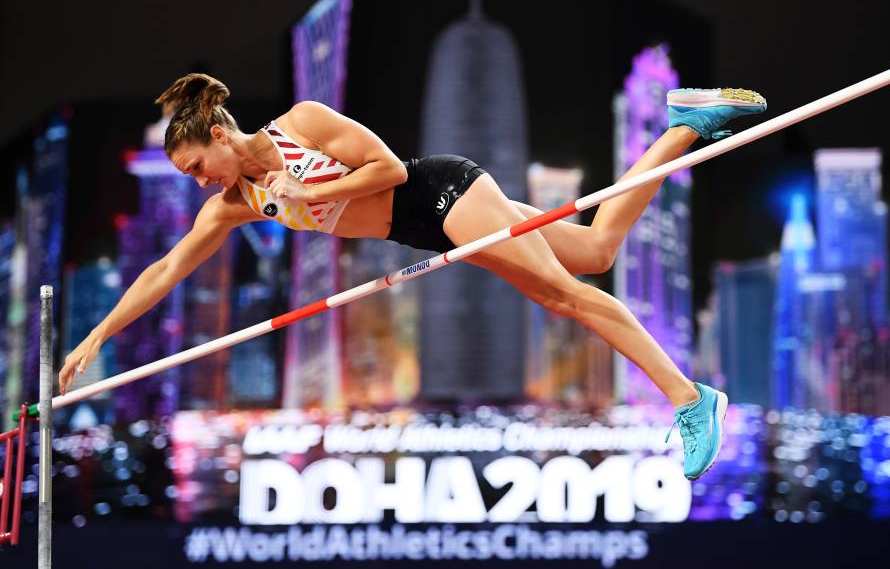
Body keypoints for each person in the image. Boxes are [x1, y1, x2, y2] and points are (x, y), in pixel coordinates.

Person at [58, 73, 766, 479]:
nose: (197, 183)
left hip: (441, 190)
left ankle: (691, 396)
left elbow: (392, 169)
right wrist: (95, 336)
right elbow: (166, 267)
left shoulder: (299, 126)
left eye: (195, 167)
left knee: (562, 295)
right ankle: (684, 125)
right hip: (423, 225)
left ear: (218, 134)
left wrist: (310, 195)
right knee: (594, 251)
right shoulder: (235, 204)